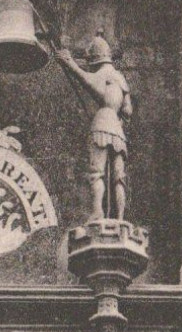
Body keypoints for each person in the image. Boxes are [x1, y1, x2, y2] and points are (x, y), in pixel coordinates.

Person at [56, 32, 132, 222]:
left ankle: (97, 211)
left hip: (101, 123)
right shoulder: (120, 78)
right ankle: (121, 217)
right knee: (119, 176)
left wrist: (69, 63)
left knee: (96, 172)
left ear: (94, 58)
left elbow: (88, 82)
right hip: (117, 128)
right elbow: (128, 111)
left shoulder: (102, 74)